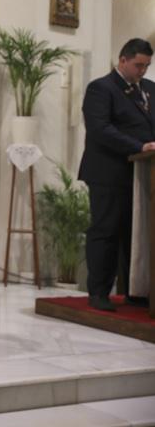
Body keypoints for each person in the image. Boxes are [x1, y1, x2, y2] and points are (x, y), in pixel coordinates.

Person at [79, 38, 155, 311]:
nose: (142, 71)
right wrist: (140, 147)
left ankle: (135, 291)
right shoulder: (101, 88)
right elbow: (100, 129)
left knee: (137, 234)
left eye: (146, 66)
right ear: (123, 60)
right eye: (138, 65)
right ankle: (99, 292)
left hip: (144, 173)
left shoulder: (150, 89)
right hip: (109, 171)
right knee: (107, 231)